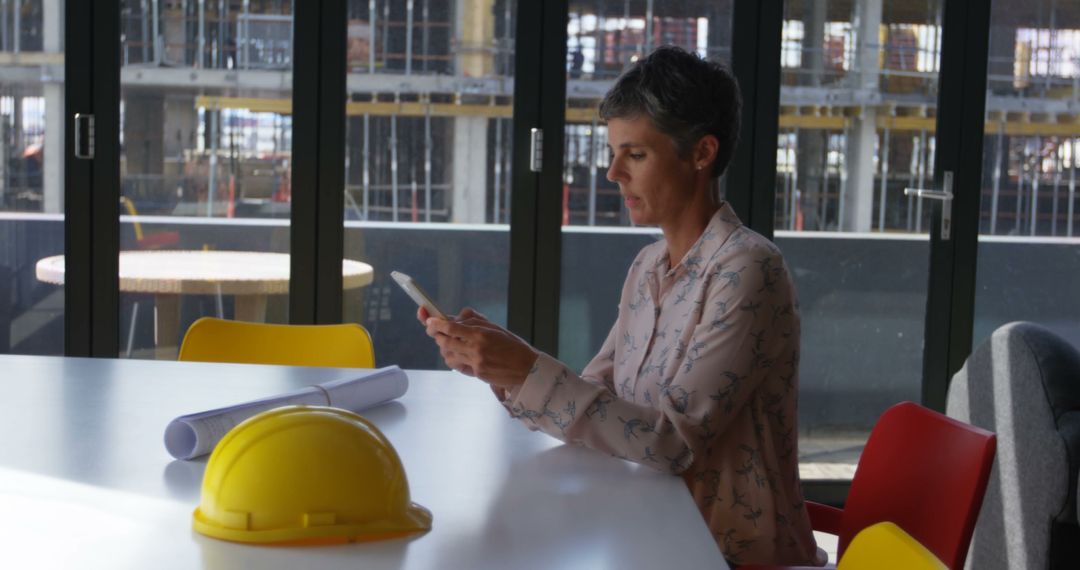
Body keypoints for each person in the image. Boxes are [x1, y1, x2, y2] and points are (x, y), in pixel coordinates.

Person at [419, 45, 823, 566]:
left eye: (635, 154)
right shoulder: (648, 266)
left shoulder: (748, 270)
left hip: (725, 554)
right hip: (647, 528)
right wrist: (501, 366)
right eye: (614, 153)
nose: (612, 173)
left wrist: (528, 370)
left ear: (701, 153)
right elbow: (595, 405)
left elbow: (672, 443)